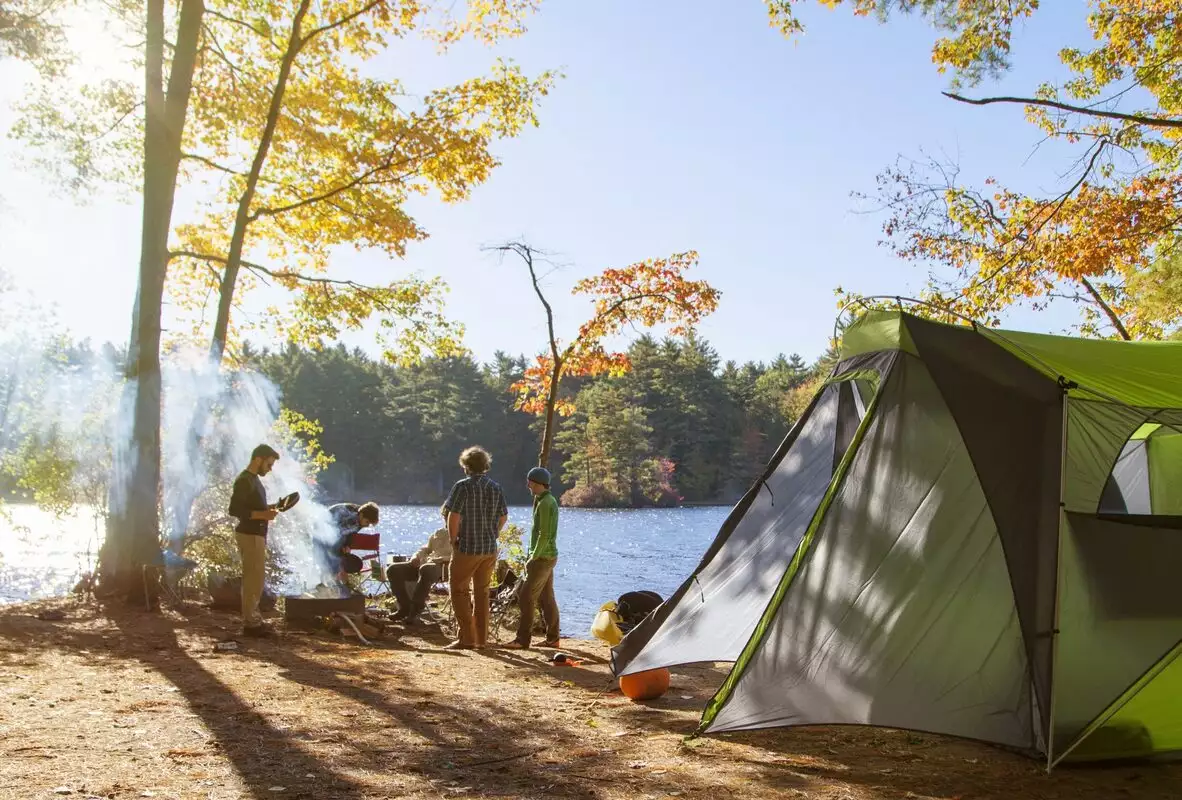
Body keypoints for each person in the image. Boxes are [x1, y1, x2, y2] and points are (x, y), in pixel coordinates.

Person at [442, 445, 508, 650]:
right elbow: (503, 516)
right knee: (482, 593)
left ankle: (467, 639)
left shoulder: (462, 486)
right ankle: (481, 640)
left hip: (467, 547)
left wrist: (453, 539)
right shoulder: (495, 487)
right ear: (485, 465)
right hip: (489, 549)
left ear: (467, 466)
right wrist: (494, 533)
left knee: (458, 590)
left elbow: (453, 515)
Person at [227, 444, 281, 638]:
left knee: (256, 580)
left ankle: (253, 620)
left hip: (256, 535)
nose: (270, 468)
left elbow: (253, 507)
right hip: (249, 535)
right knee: (252, 580)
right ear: (258, 459)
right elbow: (234, 510)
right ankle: (251, 624)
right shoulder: (244, 480)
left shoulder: (254, 480)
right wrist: (263, 515)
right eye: (269, 464)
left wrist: (270, 508)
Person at [504, 467, 560, 650]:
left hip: (542, 558)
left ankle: (522, 640)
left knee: (525, 597)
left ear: (536, 483)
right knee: (546, 597)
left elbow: (544, 534)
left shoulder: (545, 503)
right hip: (548, 556)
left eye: (529, 482)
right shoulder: (545, 500)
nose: (527, 485)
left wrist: (533, 557)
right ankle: (553, 638)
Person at [387, 506, 452, 623]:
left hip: (445, 567)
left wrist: (439, 559)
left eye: (449, 516)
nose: (446, 519)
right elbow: (426, 549)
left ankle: (415, 611)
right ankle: (405, 607)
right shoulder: (439, 532)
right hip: (426, 565)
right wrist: (415, 557)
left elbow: (460, 556)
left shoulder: (463, 534)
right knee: (393, 569)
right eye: (445, 516)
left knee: (426, 569)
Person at [323, 501, 380, 578]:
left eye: (369, 524)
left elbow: (351, 534)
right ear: (361, 515)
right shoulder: (350, 517)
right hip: (325, 527)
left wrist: (347, 546)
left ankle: (334, 576)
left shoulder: (361, 514)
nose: (367, 525)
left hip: (336, 530)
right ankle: (330, 577)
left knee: (340, 555)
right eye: (367, 522)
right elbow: (339, 535)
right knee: (335, 556)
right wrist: (343, 550)